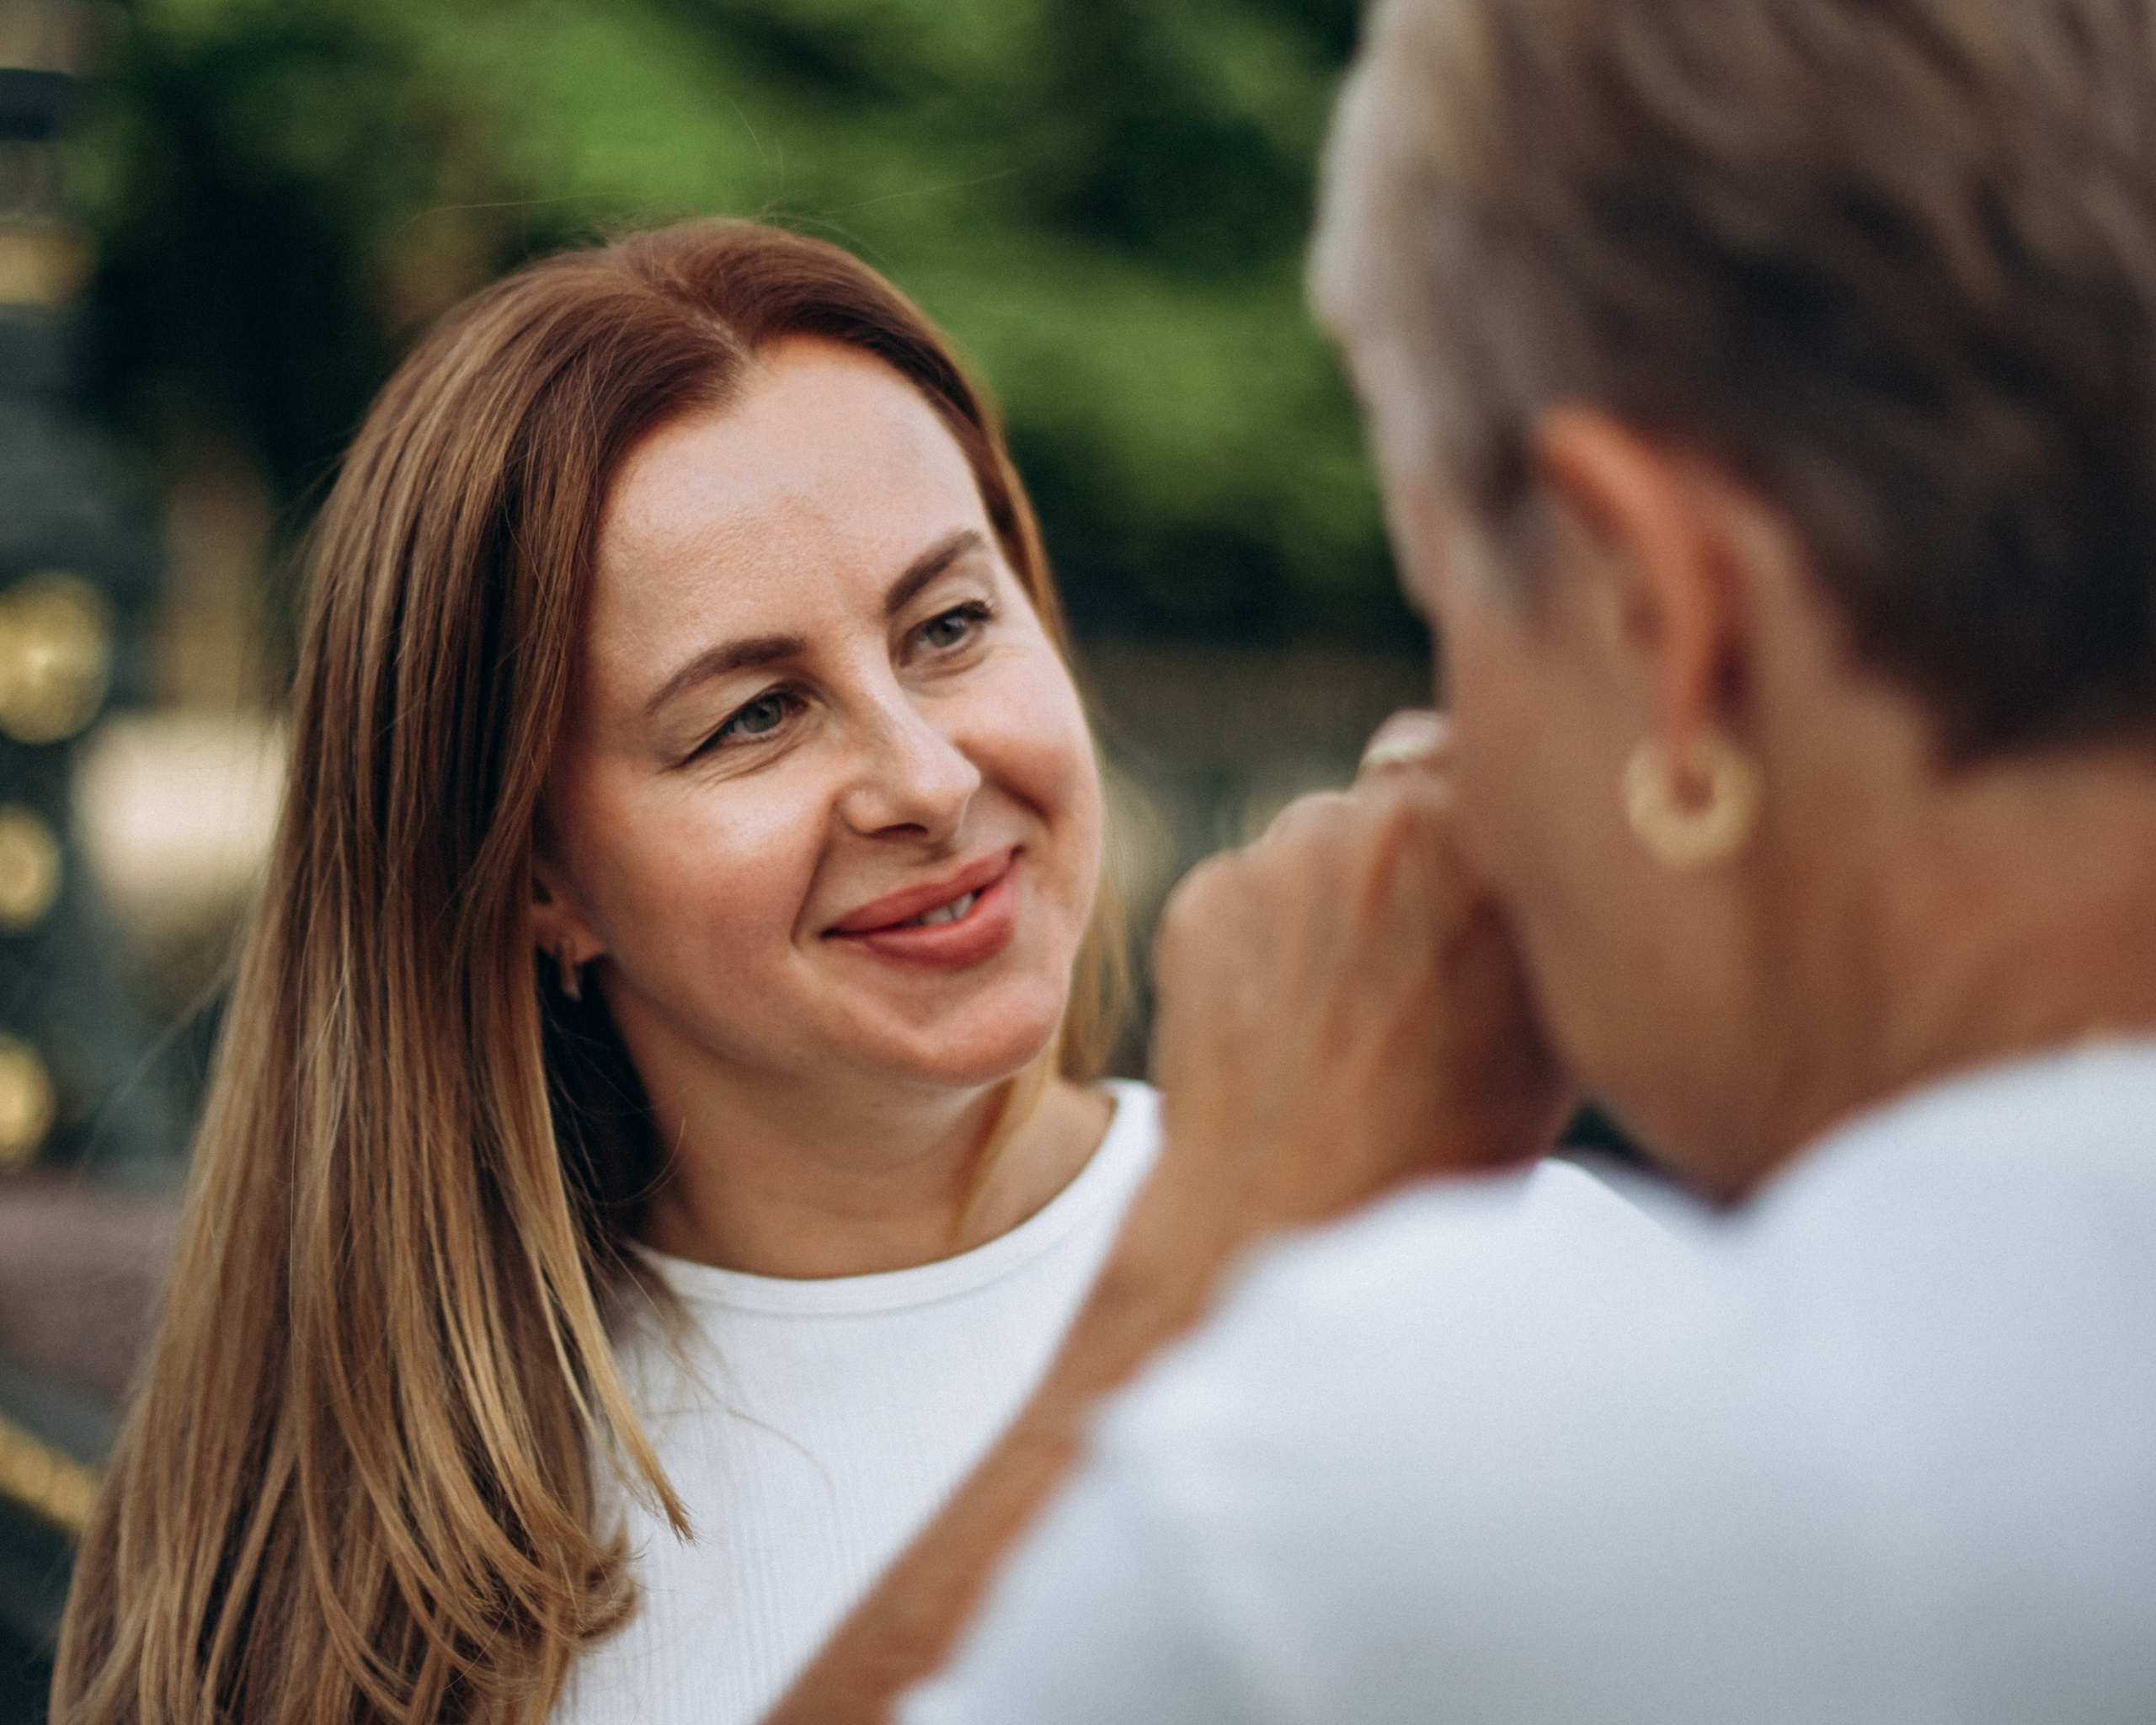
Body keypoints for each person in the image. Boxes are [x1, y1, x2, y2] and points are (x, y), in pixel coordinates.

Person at [759, 0, 2156, 1720]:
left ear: (1659, 612)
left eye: (1460, 611)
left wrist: (1218, 1246)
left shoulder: (1439, 1460)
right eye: (748, 714)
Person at [48, 220, 1145, 1725]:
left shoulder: (1426, 1265)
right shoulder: (347, 1594)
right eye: (754, 715)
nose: (930, 779)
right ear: (535, 878)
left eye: (949, 625)